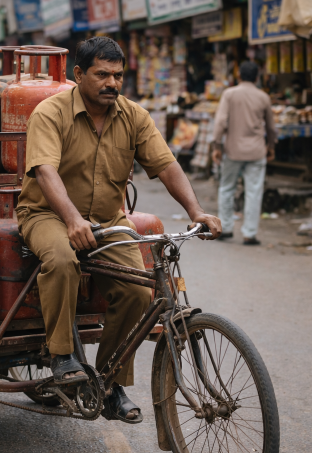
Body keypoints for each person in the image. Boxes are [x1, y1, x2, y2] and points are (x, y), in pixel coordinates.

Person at [17, 37, 221, 424]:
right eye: (102, 74)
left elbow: (165, 165)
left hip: (109, 221)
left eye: (117, 75)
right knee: (61, 260)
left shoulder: (134, 116)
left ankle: (109, 384)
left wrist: (197, 211)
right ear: (78, 74)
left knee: (137, 291)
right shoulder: (50, 113)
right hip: (48, 215)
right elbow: (45, 170)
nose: (112, 83)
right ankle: (61, 355)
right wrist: (73, 220)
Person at [212, 61, 278, 245]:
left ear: (239, 76)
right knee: (254, 192)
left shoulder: (229, 94)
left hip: (233, 150)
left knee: (226, 189)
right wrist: (271, 147)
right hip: (256, 151)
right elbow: (272, 128)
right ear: (258, 78)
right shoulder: (263, 97)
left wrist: (217, 146)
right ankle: (249, 233)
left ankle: (224, 227)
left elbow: (220, 123)